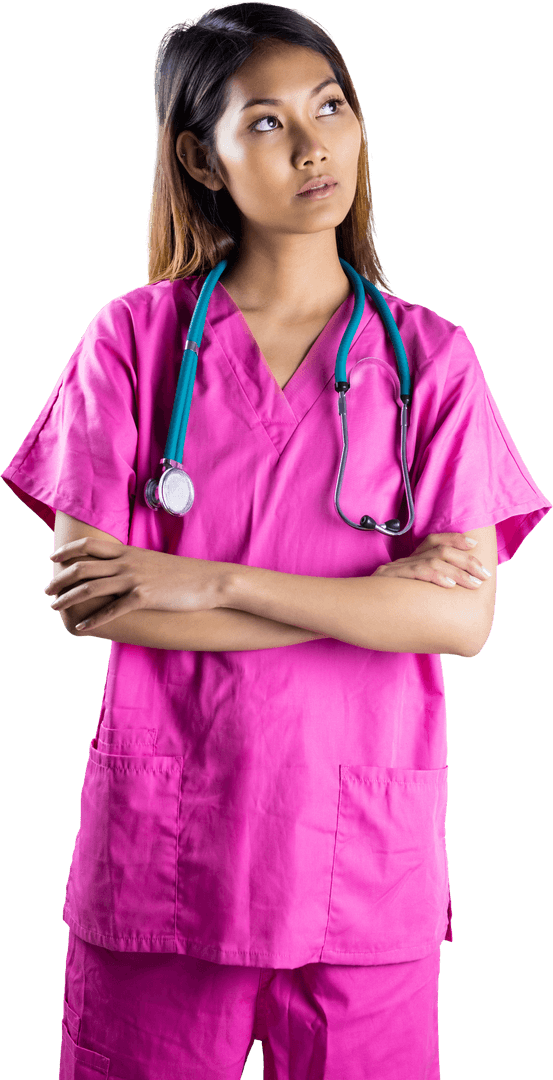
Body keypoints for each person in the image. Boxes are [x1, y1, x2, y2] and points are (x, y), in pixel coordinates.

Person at [2, 4, 550, 1078]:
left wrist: (201, 581)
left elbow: (461, 618)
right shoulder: (132, 343)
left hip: (364, 892)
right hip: (164, 880)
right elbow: (97, 601)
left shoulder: (430, 362)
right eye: (263, 122)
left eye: (330, 108)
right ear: (199, 162)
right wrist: (370, 598)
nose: (312, 146)